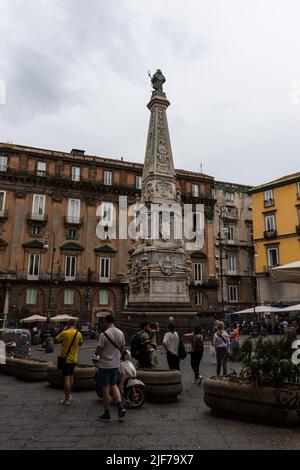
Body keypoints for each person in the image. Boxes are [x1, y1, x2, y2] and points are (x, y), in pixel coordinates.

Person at [95, 314, 126, 422]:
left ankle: (107, 413)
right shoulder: (121, 333)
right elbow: (122, 348)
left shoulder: (104, 334)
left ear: (106, 322)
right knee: (114, 385)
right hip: (115, 365)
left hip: (104, 365)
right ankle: (120, 406)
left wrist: (96, 352)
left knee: (105, 388)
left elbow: (98, 350)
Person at [55, 320, 83, 405]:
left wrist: (63, 330)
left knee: (66, 378)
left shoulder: (65, 333)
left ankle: (67, 398)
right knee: (71, 376)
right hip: (74, 359)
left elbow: (56, 339)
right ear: (75, 325)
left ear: (67, 325)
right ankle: (69, 394)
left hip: (65, 359)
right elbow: (80, 343)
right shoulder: (78, 334)